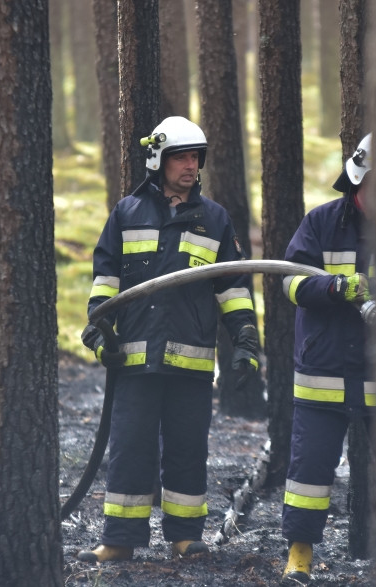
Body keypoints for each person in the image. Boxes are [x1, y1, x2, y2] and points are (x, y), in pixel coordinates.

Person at [78, 116, 261, 563]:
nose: (190, 166)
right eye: (181, 156)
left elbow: (232, 288)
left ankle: (184, 536)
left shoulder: (214, 220)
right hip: (134, 361)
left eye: (195, 157)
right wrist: (99, 333)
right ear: (158, 160)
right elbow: (106, 283)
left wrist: (246, 340)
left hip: (192, 364)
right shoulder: (126, 213)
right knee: (129, 448)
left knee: (186, 450)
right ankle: (119, 539)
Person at [278, 133, 376, 585]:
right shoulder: (319, 223)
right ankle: (299, 557)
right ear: (358, 179)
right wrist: (336, 288)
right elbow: (291, 284)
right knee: (309, 475)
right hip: (324, 373)